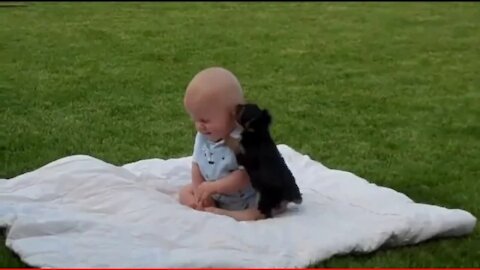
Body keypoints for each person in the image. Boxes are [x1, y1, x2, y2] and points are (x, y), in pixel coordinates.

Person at [178, 67, 264, 221]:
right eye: (195, 119)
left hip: (249, 195)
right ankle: (200, 207)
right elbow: (196, 165)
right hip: (217, 193)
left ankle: (239, 215)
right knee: (185, 192)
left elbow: (244, 177)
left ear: (234, 114)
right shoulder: (204, 136)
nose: (199, 126)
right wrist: (200, 192)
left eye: (204, 120)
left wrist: (214, 187)